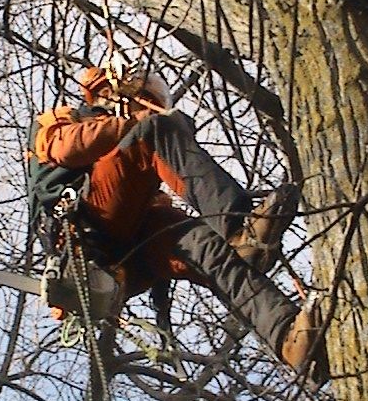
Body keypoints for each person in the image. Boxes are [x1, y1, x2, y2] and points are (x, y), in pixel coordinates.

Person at [26, 62, 326, 380]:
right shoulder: (66, 120)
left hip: (124, 254)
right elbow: (67, 147)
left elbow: (160, 217)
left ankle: (289, 339)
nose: (145, 111)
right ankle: (238, 227)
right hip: (83, 230)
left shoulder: (132, 166)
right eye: (140, 100)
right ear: (109, 94)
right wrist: (134, 123)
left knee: (206, 248)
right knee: (158, 131)